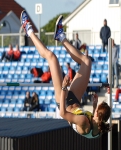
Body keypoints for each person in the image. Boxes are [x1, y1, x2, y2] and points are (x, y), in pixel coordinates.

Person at [20, 10, 111, 138]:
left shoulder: (84, 121)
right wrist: (95, 105)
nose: (95, 111)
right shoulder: (99, 126)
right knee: (87, 61)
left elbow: (62, 113)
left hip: (64, 102)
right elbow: (95, 121)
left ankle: (28, 28)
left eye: (96, 110)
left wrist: (64, 88)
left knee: (52, 57)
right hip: (75, 100)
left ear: (97, 116)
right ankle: (60, 36)